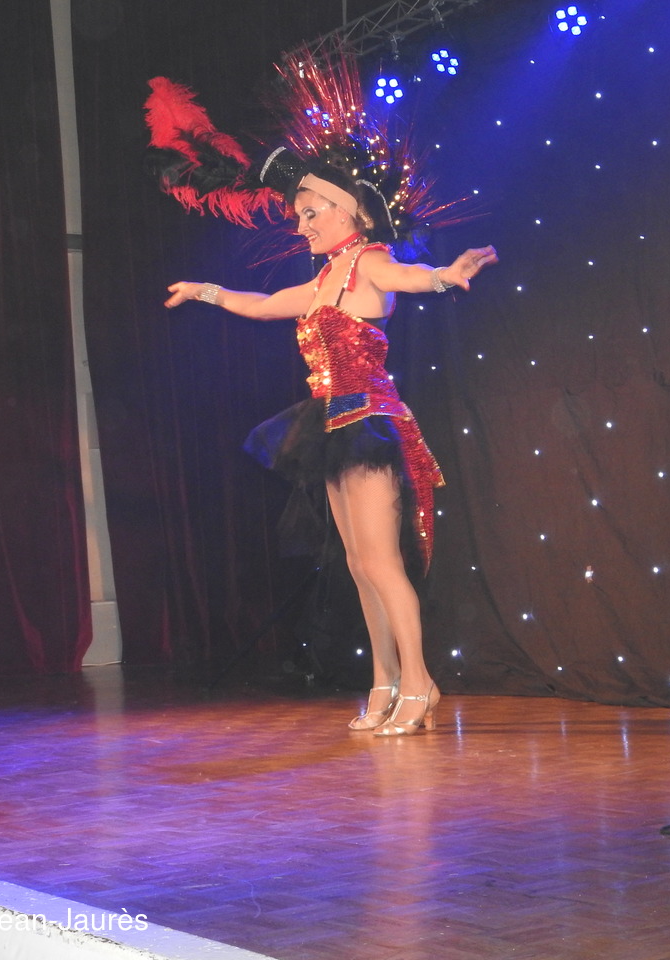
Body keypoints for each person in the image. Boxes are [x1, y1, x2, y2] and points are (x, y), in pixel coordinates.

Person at [165, 161, 497, 736]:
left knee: (382, 563)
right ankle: (385, 682)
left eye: (310, 214)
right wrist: (205, 292)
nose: (302, 227)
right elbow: (263, 304)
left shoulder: (369, 261)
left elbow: (407, 277)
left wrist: (445, 275)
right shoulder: (323, 281)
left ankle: (419, 682)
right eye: (299, 217)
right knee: (359, 564)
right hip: (332, 426)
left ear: (348, 211)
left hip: (368, 421)